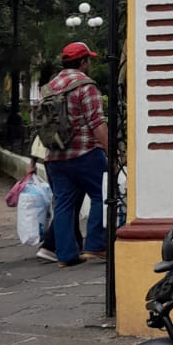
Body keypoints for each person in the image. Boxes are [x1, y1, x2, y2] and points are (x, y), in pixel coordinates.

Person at [39, 40, 108, 268]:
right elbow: (97, 123)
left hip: (55, 156)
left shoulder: (48, 89)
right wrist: (112, 151)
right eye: (88, 60)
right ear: (83, 62)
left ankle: (66, 255)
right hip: (85, 154)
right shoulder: (86, 86)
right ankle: (96, 245)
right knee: (102, 194)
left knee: (63, 204)